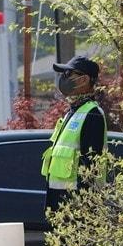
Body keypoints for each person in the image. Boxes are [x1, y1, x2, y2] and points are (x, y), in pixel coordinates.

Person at [42, 55, 108, 212]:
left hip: (77, 209)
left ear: (84, 79)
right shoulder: (72, 112)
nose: (63, 78)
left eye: (68, 74)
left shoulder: (92, 114)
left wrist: (83, 209)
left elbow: (91, 166)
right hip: (60, 206)